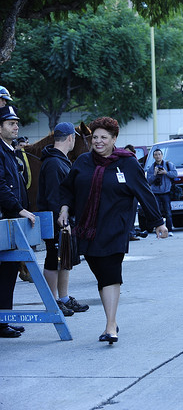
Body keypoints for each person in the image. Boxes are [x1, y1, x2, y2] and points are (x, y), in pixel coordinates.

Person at [59, 116, 168, 344]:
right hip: (88, 230)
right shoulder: (83, 162)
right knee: (101, 275)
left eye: (104, 137)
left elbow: (144, 192)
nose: (98, 141)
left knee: (110, 273)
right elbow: (68, 189)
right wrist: (64, 208)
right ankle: (111, 320)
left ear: (114, 139)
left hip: (115, 228)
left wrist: (158, 221)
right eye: (95, 137)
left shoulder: (127, 163)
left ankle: (110, 325)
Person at [38, 122, 89, 317]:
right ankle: (53, 302)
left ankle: (64, 298)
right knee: (53, 259)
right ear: (70, 138)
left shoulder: (61, 160)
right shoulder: (53, 162)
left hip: (63, 219)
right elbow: (53, 197)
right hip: (55, 220)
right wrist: (61, 220)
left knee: (64, 259)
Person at [0, 105, 37, 338]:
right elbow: (1, 186)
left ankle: (4, 319)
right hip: (6, 218)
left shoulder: (10, 150)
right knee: (4, 272)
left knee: (9, 271)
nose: (16, 127)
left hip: (12, 219)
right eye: (11, 123)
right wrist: (19, 209)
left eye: (16, 123)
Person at [146, 148, 177, 234]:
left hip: (166, 192)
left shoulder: (168, 165)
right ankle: (159, 229)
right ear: (153, 156)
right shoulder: (151, 168)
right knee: (157, 213)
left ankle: (169, 230)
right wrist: (154, 174)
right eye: (156, 155)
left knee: (168, 212)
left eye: (159, 154)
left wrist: (166, 173)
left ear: (162, 155)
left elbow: (175, 174)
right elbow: (148, 181)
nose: (158, 156)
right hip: (156, 193)